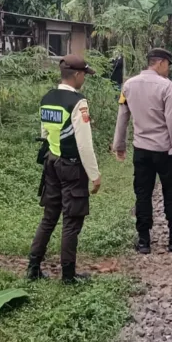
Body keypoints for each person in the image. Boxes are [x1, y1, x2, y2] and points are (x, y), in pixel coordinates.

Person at [28, 55, 102, 283]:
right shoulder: (78, 102)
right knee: (72, 220)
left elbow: (45, 133)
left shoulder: (47, 98)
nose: (84, 80)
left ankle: (33, 268)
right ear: (78, 75)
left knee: (49, 217)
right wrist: (95, 175)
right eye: (84, 76)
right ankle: (68, 276)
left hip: (52, 162)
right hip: (71, 166)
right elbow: (84, 145)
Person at [112, 48, 172, 254]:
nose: (168, 69)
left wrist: (119, 145)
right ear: (161, 63)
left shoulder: (128, 85)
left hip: (141, 150)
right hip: (164, 151)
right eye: (167, 65)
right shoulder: (167, 87)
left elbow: (122, 118)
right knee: (171, 193)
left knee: (143, 194)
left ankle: (144, 241)